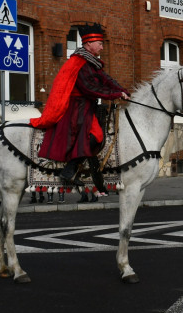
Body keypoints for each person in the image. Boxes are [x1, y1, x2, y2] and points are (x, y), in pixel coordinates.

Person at [31, 23, 129, 192]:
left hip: (86, 107)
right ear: (89, 44)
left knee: (98, 134)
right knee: (96, 136)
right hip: (76, 108)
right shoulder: (79, 63)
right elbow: (90, 88)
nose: (102, 46)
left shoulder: (92, 62)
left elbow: (106, 79)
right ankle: (69, 170)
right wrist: (115, 94)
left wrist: (121, 90)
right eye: (99, 43)